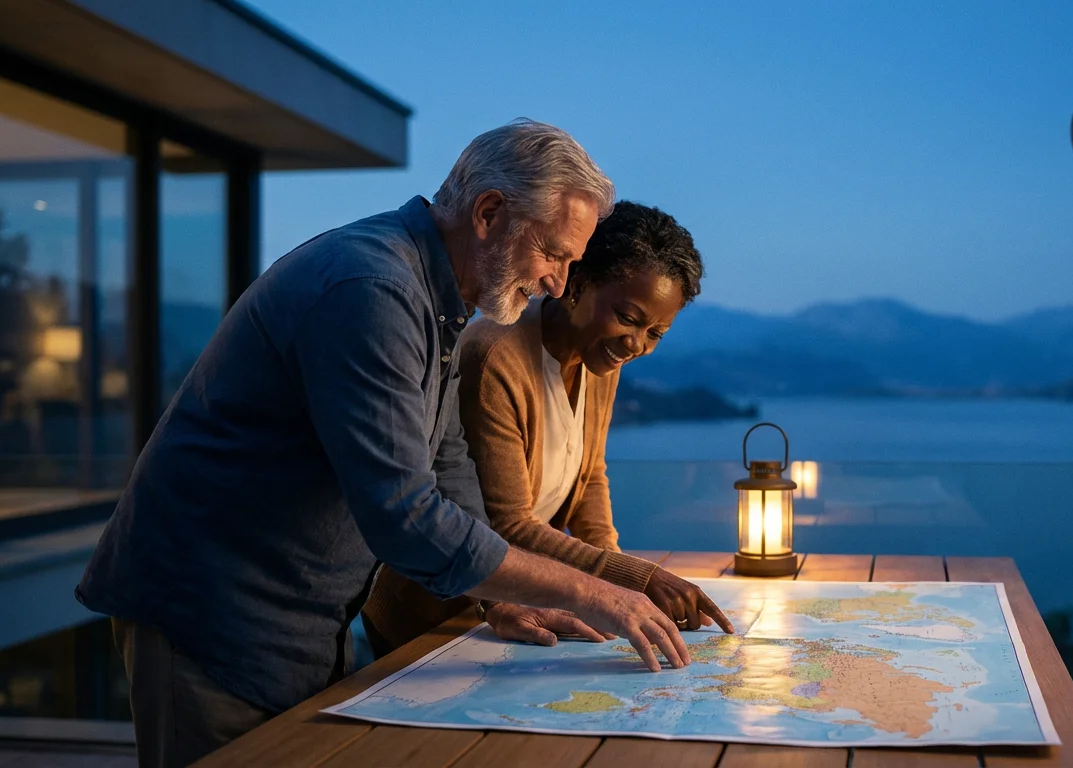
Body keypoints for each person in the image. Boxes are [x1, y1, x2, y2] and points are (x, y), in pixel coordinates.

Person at [75, 121, 691, 768]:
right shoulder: (373, 290)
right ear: (488, 213)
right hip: (209, 613)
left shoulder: (437, 296)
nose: (558, 284)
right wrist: (593, 592)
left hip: (297, 616)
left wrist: (500, 596)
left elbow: (448, 462)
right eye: (553, 254)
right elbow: (406, 516)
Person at [363, 202, 733, 656]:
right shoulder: (496, 356)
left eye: (655, 333)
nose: (636, 344)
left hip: (520, 605)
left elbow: (590, 478)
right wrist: (637, 579)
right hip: (439, 613)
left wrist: (623, 583)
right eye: (629, 318)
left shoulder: (600, 357)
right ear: (576, 285)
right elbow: (509, 524)